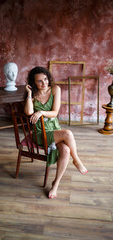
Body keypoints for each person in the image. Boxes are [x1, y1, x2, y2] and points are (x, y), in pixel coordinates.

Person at [24, 66, 88, 199]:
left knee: (65, 150)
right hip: (40, 133)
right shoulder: (33, 94)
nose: (44, 83)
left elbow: (54, 113)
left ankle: (55, 184)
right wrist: (29, 94)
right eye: (39, 81)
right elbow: (29, 112)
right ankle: (76, 161)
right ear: (33, 82)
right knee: (68, 134)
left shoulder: (55, 89)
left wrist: (41, 112)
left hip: (54, 129)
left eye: (45, 79)